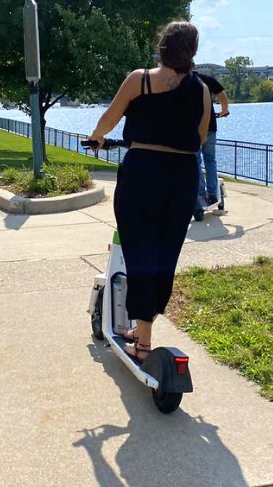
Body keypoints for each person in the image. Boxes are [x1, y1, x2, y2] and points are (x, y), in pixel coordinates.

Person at [87, 20, 211, 361]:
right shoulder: (200, 89)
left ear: (162, 46)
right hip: (182, 175)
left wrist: (97, 138)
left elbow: (110, 119)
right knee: (164, 252)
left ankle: (142, 342)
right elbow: (199, 137)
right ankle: (143, 327)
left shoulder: (139, 79)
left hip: (143, 172)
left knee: (139, 249)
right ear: (192, 51)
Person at [193, 72, 229, 214]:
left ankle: (201, 194)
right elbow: (222, 96)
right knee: (210, 160)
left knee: (195, 161)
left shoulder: (182, 81)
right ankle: (213, 193)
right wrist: (224, 111)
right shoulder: (207, 79)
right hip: (210, 127)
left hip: (193, 128)